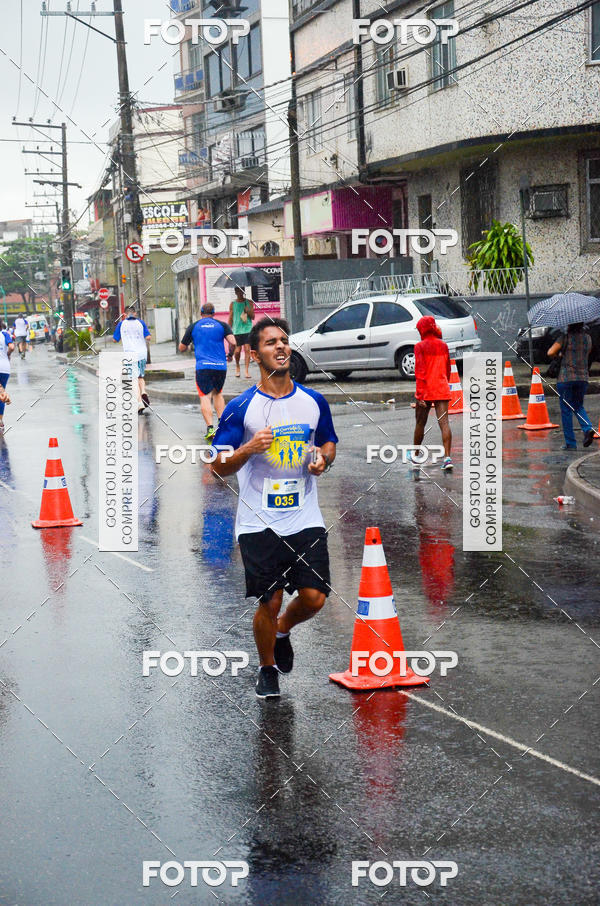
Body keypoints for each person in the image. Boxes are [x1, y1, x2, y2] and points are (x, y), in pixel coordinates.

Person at [211, 317, 338, 699]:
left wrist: (322, 460)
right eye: (271, 343)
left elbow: (329, 442)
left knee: (315, 596)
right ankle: (267, 668)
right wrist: (248, 449)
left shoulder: (313, 401)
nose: (281, 347)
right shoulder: (239, 408)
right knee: (270, 598)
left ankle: (282, 630)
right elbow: (217, 466)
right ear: (255, 354)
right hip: (258, 521)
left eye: (284, 341)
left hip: (304, 515)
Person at [179, 302, 236, 441]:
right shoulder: (222, 325)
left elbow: (182, 347)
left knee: (205, 396)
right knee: (218, 393)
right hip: (220, 367)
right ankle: (222, 427)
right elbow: (233, 342)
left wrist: (190, 345)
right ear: (214, 313)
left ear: (201, 313)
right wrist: (230, 355)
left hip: (203, 367)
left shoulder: (194, 326)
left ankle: (210, 429)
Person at [412, 315, 453, 472]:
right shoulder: (443, 346)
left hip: (426, 391)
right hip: (442, 388)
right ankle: (447, 458)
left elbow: (420, 372)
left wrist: (420, 395)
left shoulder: (419, 346)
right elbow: (448, 369)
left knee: (420, 423)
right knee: (444, 424)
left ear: (422, 329)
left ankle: (415, 455)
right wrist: (444, 384)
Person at [548, 322, 596, 450]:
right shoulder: (588, 338)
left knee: (566, 410)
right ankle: (587, 428)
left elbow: (550, 352)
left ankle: (570, 443)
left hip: (566, 378)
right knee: (578, 406)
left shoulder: (565, 337)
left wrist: (559, 355)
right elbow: (588, 352)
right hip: (583, 377)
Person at [112, 304, 151, 414]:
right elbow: (148, 337)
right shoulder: (141, 322)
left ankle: (139, 403)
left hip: (130, 355)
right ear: (135, 313)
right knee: (140, 376)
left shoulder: (121, 324)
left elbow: (115, 340)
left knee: (133, 379)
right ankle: (143, 391)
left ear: (124, 314)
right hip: (142, 354)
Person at [227, 286, 254, 379]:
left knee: (247, 349)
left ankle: (246, 370)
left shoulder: (249, 302)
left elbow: (253, 316)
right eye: (237, 291)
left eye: (241, 291)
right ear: (235, 292)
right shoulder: (232, 304)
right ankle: (238, 366)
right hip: (237, 330)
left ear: (243, 291)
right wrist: (228, 330)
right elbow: (230, 317)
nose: (239, 293)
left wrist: (248, 311)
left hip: (247, 329)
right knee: (237, 351)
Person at [0, 323, 14, 434]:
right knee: (1, 394)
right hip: (4, 368)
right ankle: (0, 420)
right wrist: (7, 354)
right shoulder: (5, 334)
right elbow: (11, 347)